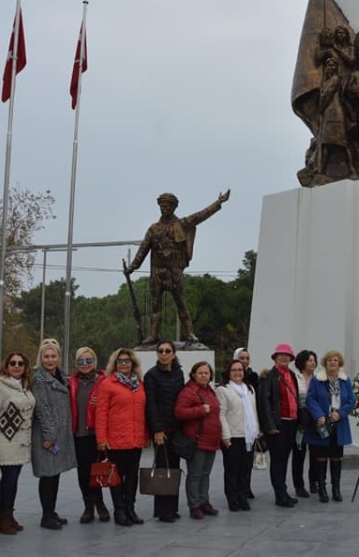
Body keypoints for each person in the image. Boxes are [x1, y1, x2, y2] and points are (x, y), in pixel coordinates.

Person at [124, 190, 230, 345]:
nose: (164, 208)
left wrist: (218, 203)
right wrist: (133, 266)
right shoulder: (153, 229)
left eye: (167, 206)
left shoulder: (181, 224)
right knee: (155, 305)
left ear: (174, 207)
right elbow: (143, 250)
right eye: (162, 206)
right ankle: (154, 334)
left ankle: (189, 333)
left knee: (180, 302)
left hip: (175, 271)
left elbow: (201, 215)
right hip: (157, 271)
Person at [0, 351, 36, 534]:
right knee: (9, 481)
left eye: (21, 363)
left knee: (12, 481)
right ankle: (3, 519)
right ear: (6, 365)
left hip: (21, 444)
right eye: (13, 363)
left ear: (26, 367)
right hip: (4, 443)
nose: (17, 366)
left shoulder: (25, 387)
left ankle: (9, 516)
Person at [95, 348, 149, 526]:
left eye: (127, 361)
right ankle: (119, 510)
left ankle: (130, 508)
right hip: (115, 440)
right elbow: (101, 413)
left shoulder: (140, 384)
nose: (124, 364)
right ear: (114, 364)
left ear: (133, 363)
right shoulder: (107, 384)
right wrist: (101, 439)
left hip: (135, 439)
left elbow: (144, 412)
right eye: (120, 361)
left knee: (132, 476)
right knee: (117, 477)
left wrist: (146, 434)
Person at [30, 338, 77, 530]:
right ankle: (46, 516)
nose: (50, 360)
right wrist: (49, 437)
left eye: (53, 356)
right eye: (46, 356)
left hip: (60, 434)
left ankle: (51, 511)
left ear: (59, 358)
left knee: (54, 475)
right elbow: (42, 409)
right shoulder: (39, 379)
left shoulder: (62, 377)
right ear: (40, 358)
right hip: (46, 436)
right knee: (47, 475)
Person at [305, 350, 356, 503]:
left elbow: (351, 401)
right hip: (322, 422)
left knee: (336, 456)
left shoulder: (345, 381)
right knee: (321, 456)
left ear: (339, 363)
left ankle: (336, 489)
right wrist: (319, 415)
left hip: (339, 423)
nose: (332, 362)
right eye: (329, 360)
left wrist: (340, 413)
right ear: (325, 363)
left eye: (335, 360)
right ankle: (322, 489)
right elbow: (310, 399)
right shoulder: (317, 380)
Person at [174, 361, 222, 519]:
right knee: (195, 475)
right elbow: (179, 412)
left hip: (211, 440)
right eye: (200, 373)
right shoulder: (188, 392)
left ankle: (204, 501)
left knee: (205, 474)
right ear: (194, 375)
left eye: (206, 373)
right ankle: (194, 505)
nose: (203, 375)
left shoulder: (210, 391)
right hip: (197, 441)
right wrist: (200, 410)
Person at [144, 340, 185, 522]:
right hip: (162, 430)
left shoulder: (179, 373)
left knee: (174, 468)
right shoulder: (151, 375)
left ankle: (173, 507)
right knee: (162, 469)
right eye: (160, 351)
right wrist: (157, 429)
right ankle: (162, 511)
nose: (164, 354)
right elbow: (150, 404)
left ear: (174, 354)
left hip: (176, 429)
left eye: (168, 351)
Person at [68, 346, 110, 523]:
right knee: (83, 472)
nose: (84, 364)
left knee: (97, 471)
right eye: (80, 361)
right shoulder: (71, 382)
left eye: (88, 360)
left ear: (94, 361)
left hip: (97, 434)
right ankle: (88, 506)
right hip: (79, 434)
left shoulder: (104, 381)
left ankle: (100, 504)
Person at [257, 343, 301, 507]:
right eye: (280, 354)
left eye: (287, 355)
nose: (283, 357)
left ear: (291, 358)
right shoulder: (269, 376)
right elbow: (264, 403)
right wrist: (270, 426)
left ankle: (283, 491)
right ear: (275, 357)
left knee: (284, 459)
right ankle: (280, 495)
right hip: (277, 424)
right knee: (277, 460)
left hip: (291, 423)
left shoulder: (291, 375)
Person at [217, 358, 260, 512]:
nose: (237, 373)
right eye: (234, 370)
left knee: (245, 469)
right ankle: (232, 498)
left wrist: (256, 431)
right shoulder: (223, 390)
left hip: (248, 436)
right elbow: (220, 414)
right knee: (232, 470)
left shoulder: (250, 389)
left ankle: (243, 497)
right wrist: (225, 436)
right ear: (228, 372)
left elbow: (253, 412)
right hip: (232, 436)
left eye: (240, 370)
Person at [292, 350, 318, 498]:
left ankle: (314, 482)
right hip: (300, 420)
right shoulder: (295, 377)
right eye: (309, 360)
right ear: (302, 362)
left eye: (314, 360)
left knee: (315, 452)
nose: (313, 362)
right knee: (299, 453)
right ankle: (299, 485)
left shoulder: (319, 378)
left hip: (314, 419)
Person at [234, 346, 258, 499]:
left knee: (248, 460)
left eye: (247, 358)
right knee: (236, 462)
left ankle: (246, 487)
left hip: (250, 424)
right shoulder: (229, 377)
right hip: (236, 425)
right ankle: (236, 489)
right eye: (241, 358)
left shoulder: (253, 377)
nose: (244, 361)